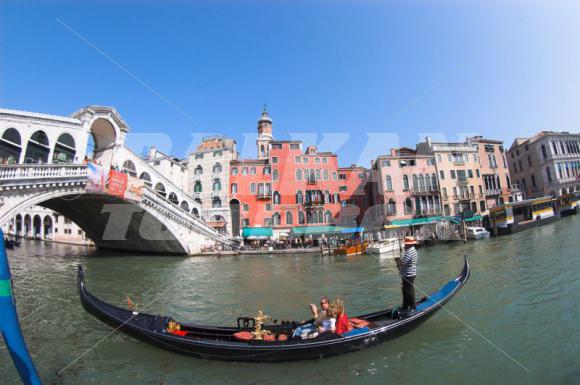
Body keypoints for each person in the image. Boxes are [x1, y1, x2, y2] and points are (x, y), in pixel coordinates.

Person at [396, 236, 419, 312]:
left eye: (406, 244)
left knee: (409, 291)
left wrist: (397, 261)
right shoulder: (413, 251)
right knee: (405, 291)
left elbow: (402, 263)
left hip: (408, 274)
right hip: (409, 273)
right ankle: (405, 306)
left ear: (408, 244)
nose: (405, 245)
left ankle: (412, 306)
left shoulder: (409, 252)